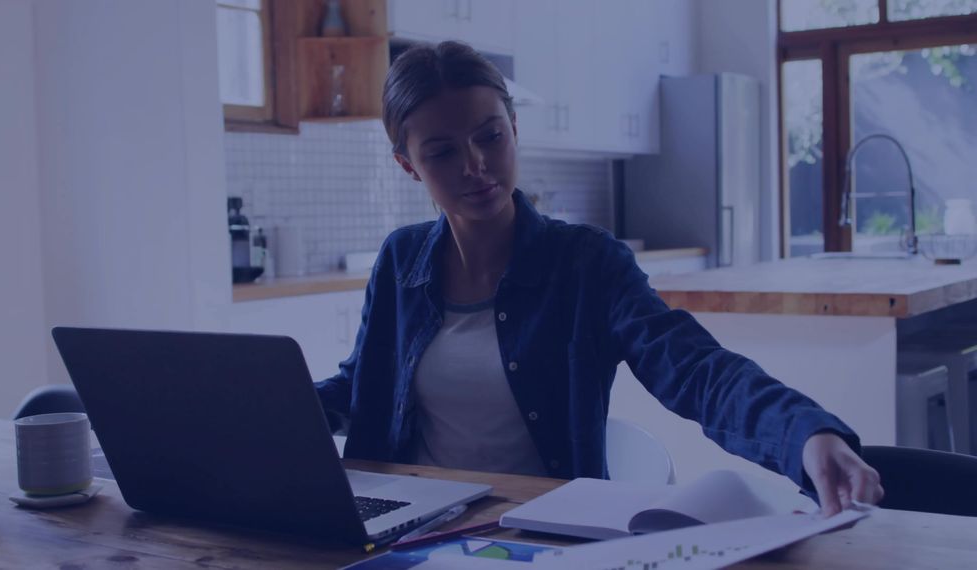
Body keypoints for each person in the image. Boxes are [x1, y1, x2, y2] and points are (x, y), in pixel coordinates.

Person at [315, 41, 883, 516]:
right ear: (408, 164)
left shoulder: (585, 263)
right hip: (408, 530)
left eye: (489, 136)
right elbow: (364, 387)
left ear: (514, 128)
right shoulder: (401, 260)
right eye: (442, 151)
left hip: (540, 533)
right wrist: (266, 408)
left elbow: (695, 369)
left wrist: (805, 435)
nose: (475, 165)